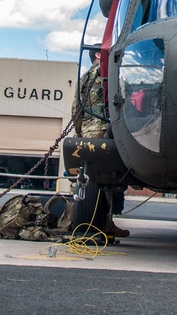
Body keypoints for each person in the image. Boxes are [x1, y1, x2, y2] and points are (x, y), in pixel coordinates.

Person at [72, 49, 129, 239]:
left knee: (86, 177)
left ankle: (82, 218)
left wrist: (79, 131)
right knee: (108, 178)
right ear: (98, 55)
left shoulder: (84, 77)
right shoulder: (104, 72)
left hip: (87, 129)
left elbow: (76, 106)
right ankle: (107, 222)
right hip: (101, 129)